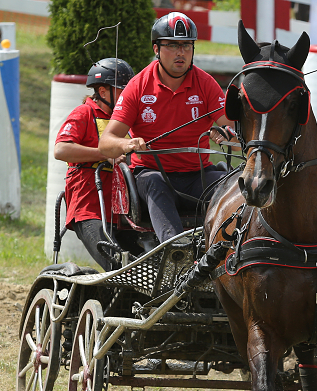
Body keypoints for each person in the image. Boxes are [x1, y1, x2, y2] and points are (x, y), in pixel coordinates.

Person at [99, 12, 237, 243]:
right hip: (153, 175)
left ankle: (227, 250)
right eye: (172, 45)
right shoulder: (138, 86)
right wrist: (127, 143)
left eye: (186, 45)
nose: (181, 52)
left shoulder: (206, 84)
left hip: (198, 176)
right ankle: (174, 250)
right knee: (155, 183)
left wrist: (227, 134)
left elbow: (234, 131)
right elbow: (106, 142)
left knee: (233, 183)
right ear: (156, 49)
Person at [53, 58, 135, 271]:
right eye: (121, 90)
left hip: (124, 214)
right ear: (103, 91)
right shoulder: (84, 113)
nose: (127, 96)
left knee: (143, 267)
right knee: (117, 266)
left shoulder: (128, 121)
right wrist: (103, 153)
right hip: (89, 209)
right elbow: (61, 149)